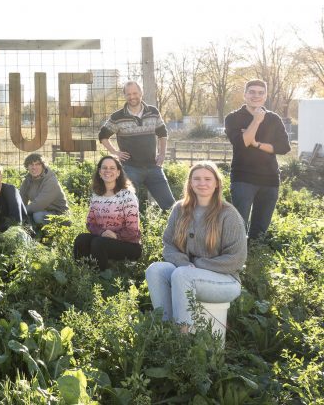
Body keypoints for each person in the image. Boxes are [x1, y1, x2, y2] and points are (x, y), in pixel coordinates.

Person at [145, 162, 247, 331]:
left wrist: (197, 264)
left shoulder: (228, 214)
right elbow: (169, 244)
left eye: (208, 179)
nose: (202, 183)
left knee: (182, 274)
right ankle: (165, 329)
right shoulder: (180, 208)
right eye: (197, 179)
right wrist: (184, 263)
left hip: (225, 282)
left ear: (217, 184)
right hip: (186, 272)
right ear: (190, 183)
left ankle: (183, 336)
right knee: (155, 270)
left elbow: (236, 259)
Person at [224, 79, 291, 240]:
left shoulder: (274, 118)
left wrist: (257, 143)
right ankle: (235, 259)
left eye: (261, 93)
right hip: (243, 178)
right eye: (252, 92)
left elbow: (284, 147)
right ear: (245, 95)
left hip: (270, 179)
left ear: (265, 96)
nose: (256, 96)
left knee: (260, 229)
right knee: (239, 225)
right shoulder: (233, 118)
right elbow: (242, 143)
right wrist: (257, 120)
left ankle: (254, 258)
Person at [99, 80, 175, 211]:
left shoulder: (153, 112)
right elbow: (102, 136)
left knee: (171, 207)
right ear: (124, 96)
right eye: (128, 94)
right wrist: (115, 153)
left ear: (141, 93)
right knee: (128, 207)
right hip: (130, 168)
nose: (132, 96)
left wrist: (162, 154)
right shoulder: (117, 117)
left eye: (135, 93)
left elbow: (163, 133)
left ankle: (178, 230)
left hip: (153, 166)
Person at [73, 156, 142, 270]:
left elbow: (133, 230)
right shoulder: (97, 195)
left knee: (98, 243)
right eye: (104, 168)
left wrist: (116, 235)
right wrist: (102, 232)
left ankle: (100, 279)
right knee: (81, 239)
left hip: (129, 245)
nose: (108, 171)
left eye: (112, 168)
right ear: (99, 172)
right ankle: (82, 273)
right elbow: (90, 223)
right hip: (103, 239)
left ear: (118, 172)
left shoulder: (127, 196)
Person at [19, 153, 69, 229]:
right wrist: (16, 211)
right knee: (24, 217)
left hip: (60, 216)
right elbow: (20, 201)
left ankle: (48, 238)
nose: (34, 167)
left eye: (37, 164)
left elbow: (39, 205)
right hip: (41, 212)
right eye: (31, 164)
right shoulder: (27, 180)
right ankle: (34, 236)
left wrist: (21, 212)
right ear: (27, 166)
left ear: (43, 166)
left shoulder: (51, 181)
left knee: (37, 216)